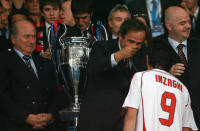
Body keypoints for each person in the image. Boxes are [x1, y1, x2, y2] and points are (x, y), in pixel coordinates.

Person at [78, 19, 148, 131]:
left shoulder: (141, 53)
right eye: (131, 41)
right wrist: (118, 56)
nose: (135, 46)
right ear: (120, 36)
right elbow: (92, 69)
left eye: (139, 43)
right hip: (97, 118)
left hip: (122, 120)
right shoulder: (101, 47)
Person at [0, 20, 67, 131]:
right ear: (13, 39)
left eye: (33, 37)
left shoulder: (45, 63)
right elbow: (2, 96)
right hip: (15, 125)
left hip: (47, 126)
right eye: (27, 37)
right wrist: (25, 117)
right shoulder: (4, 60)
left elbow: (56, 94)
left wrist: (51, 115)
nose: (31, 41)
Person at [123, 39, 198, 131]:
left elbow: (131, 116)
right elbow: (186, 128)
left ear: (147, 58)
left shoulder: (141, 77)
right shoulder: (183, 89)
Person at [154, 6, 200, 128]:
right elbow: (151, 80)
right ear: (169, 26)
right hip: (174, 116)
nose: (188, 26)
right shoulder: (155, 47)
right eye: (182, 23)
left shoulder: (198, 44)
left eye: (189, 22)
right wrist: (168, 74)